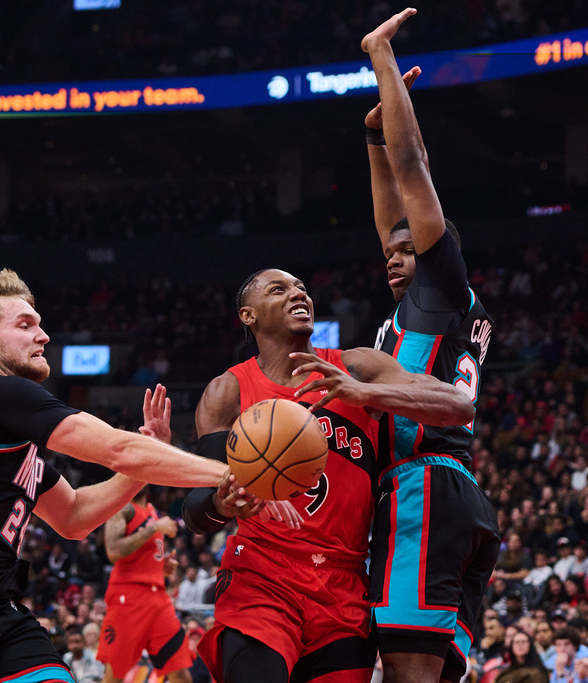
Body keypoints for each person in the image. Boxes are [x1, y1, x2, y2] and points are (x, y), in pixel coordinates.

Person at [0, 269, 233, 683]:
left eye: (40, 325)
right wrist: (232, 473)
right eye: (25, 325)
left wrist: (141, 469)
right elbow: (117, 449)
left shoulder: (11, 436)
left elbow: (74, 517)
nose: (43, 336)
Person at [182, 267, 477, 683]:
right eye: (279, 289)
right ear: (248, 315)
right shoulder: (228, 391)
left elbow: (459, 407)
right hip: (263, 573)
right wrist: (220, 501)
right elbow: (195, 511)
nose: (298, 294)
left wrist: (366, 393)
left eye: (302, 288)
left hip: (344, 581)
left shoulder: (355, 367)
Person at [362, 9, 500, 682]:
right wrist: (371, 142)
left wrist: (381, 60)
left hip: (424, 487)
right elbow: (392, 212)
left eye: (405, 248)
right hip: (459, 495)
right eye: (387, 251)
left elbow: (413, 168)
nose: (393, 254)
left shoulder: (441, 285)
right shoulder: (423, 306)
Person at [98, 485, 192, 683]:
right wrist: (154, 528)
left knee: (181, 674)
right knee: (115, 676)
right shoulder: (122, 506)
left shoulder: (150, 509)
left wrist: (161, 564)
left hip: (158, 598)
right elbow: (114, 550)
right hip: (128, 597)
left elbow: (141, 553)